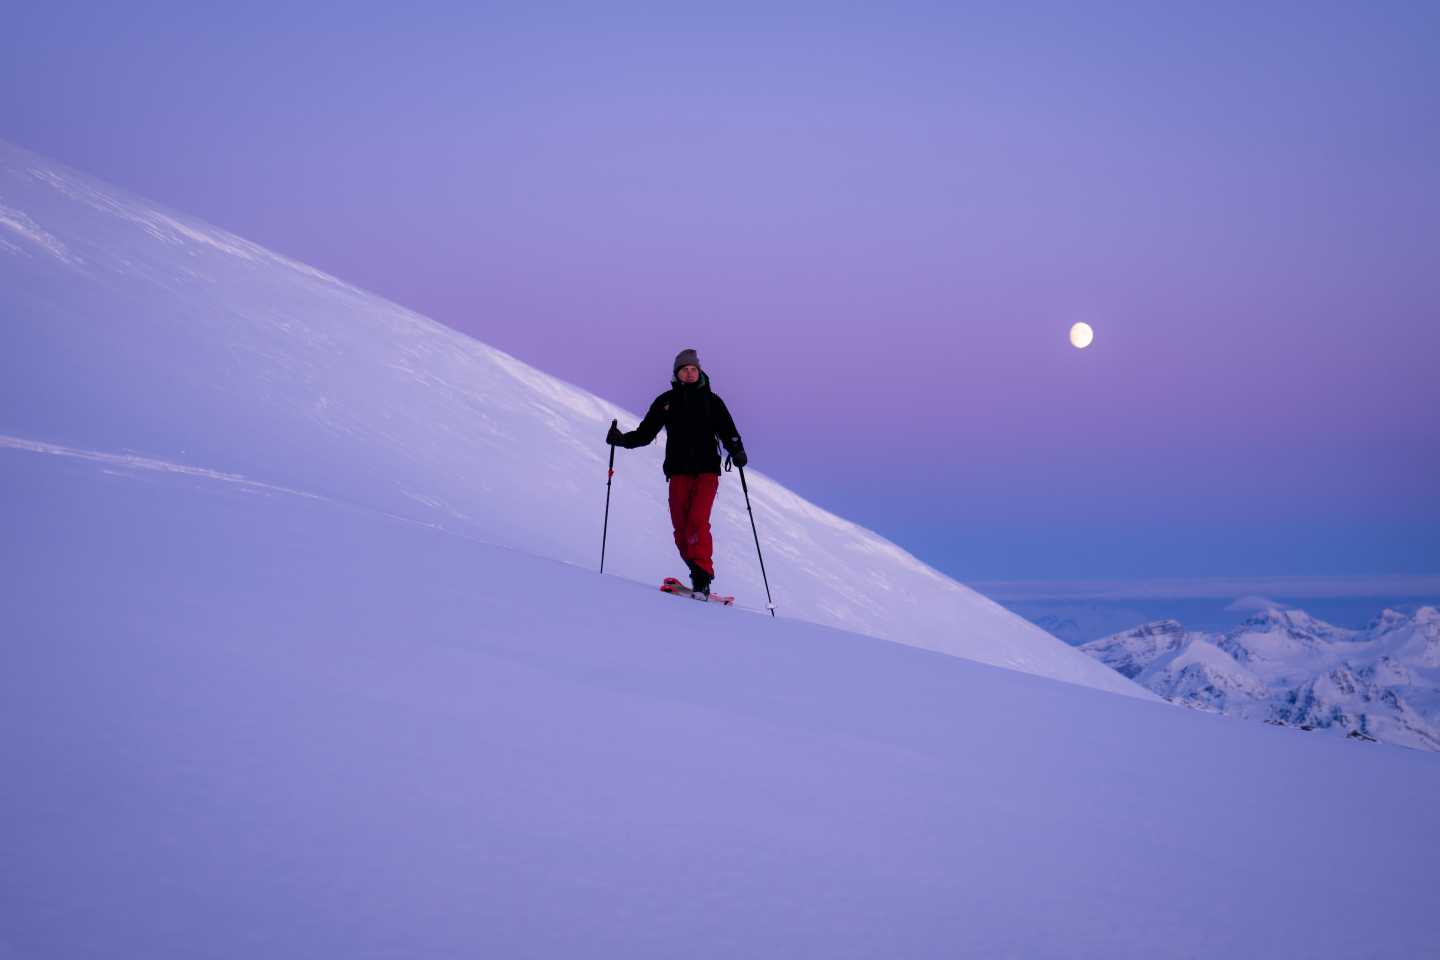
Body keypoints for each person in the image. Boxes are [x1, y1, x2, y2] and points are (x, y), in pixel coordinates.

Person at [606, 348, 747, 597]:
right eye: (685, 370)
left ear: (699, 371)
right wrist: (622, 440)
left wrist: (736, 450)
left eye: (694, 369)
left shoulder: (712, 401)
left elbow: (728, 431)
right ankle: (696, 574)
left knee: (696, 521)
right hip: (678, 472)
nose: (690, 374)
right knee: (680, 528)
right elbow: (645, 433)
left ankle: (703, 578)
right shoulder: (665, 402)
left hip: (706, 471)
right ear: (677, 373)